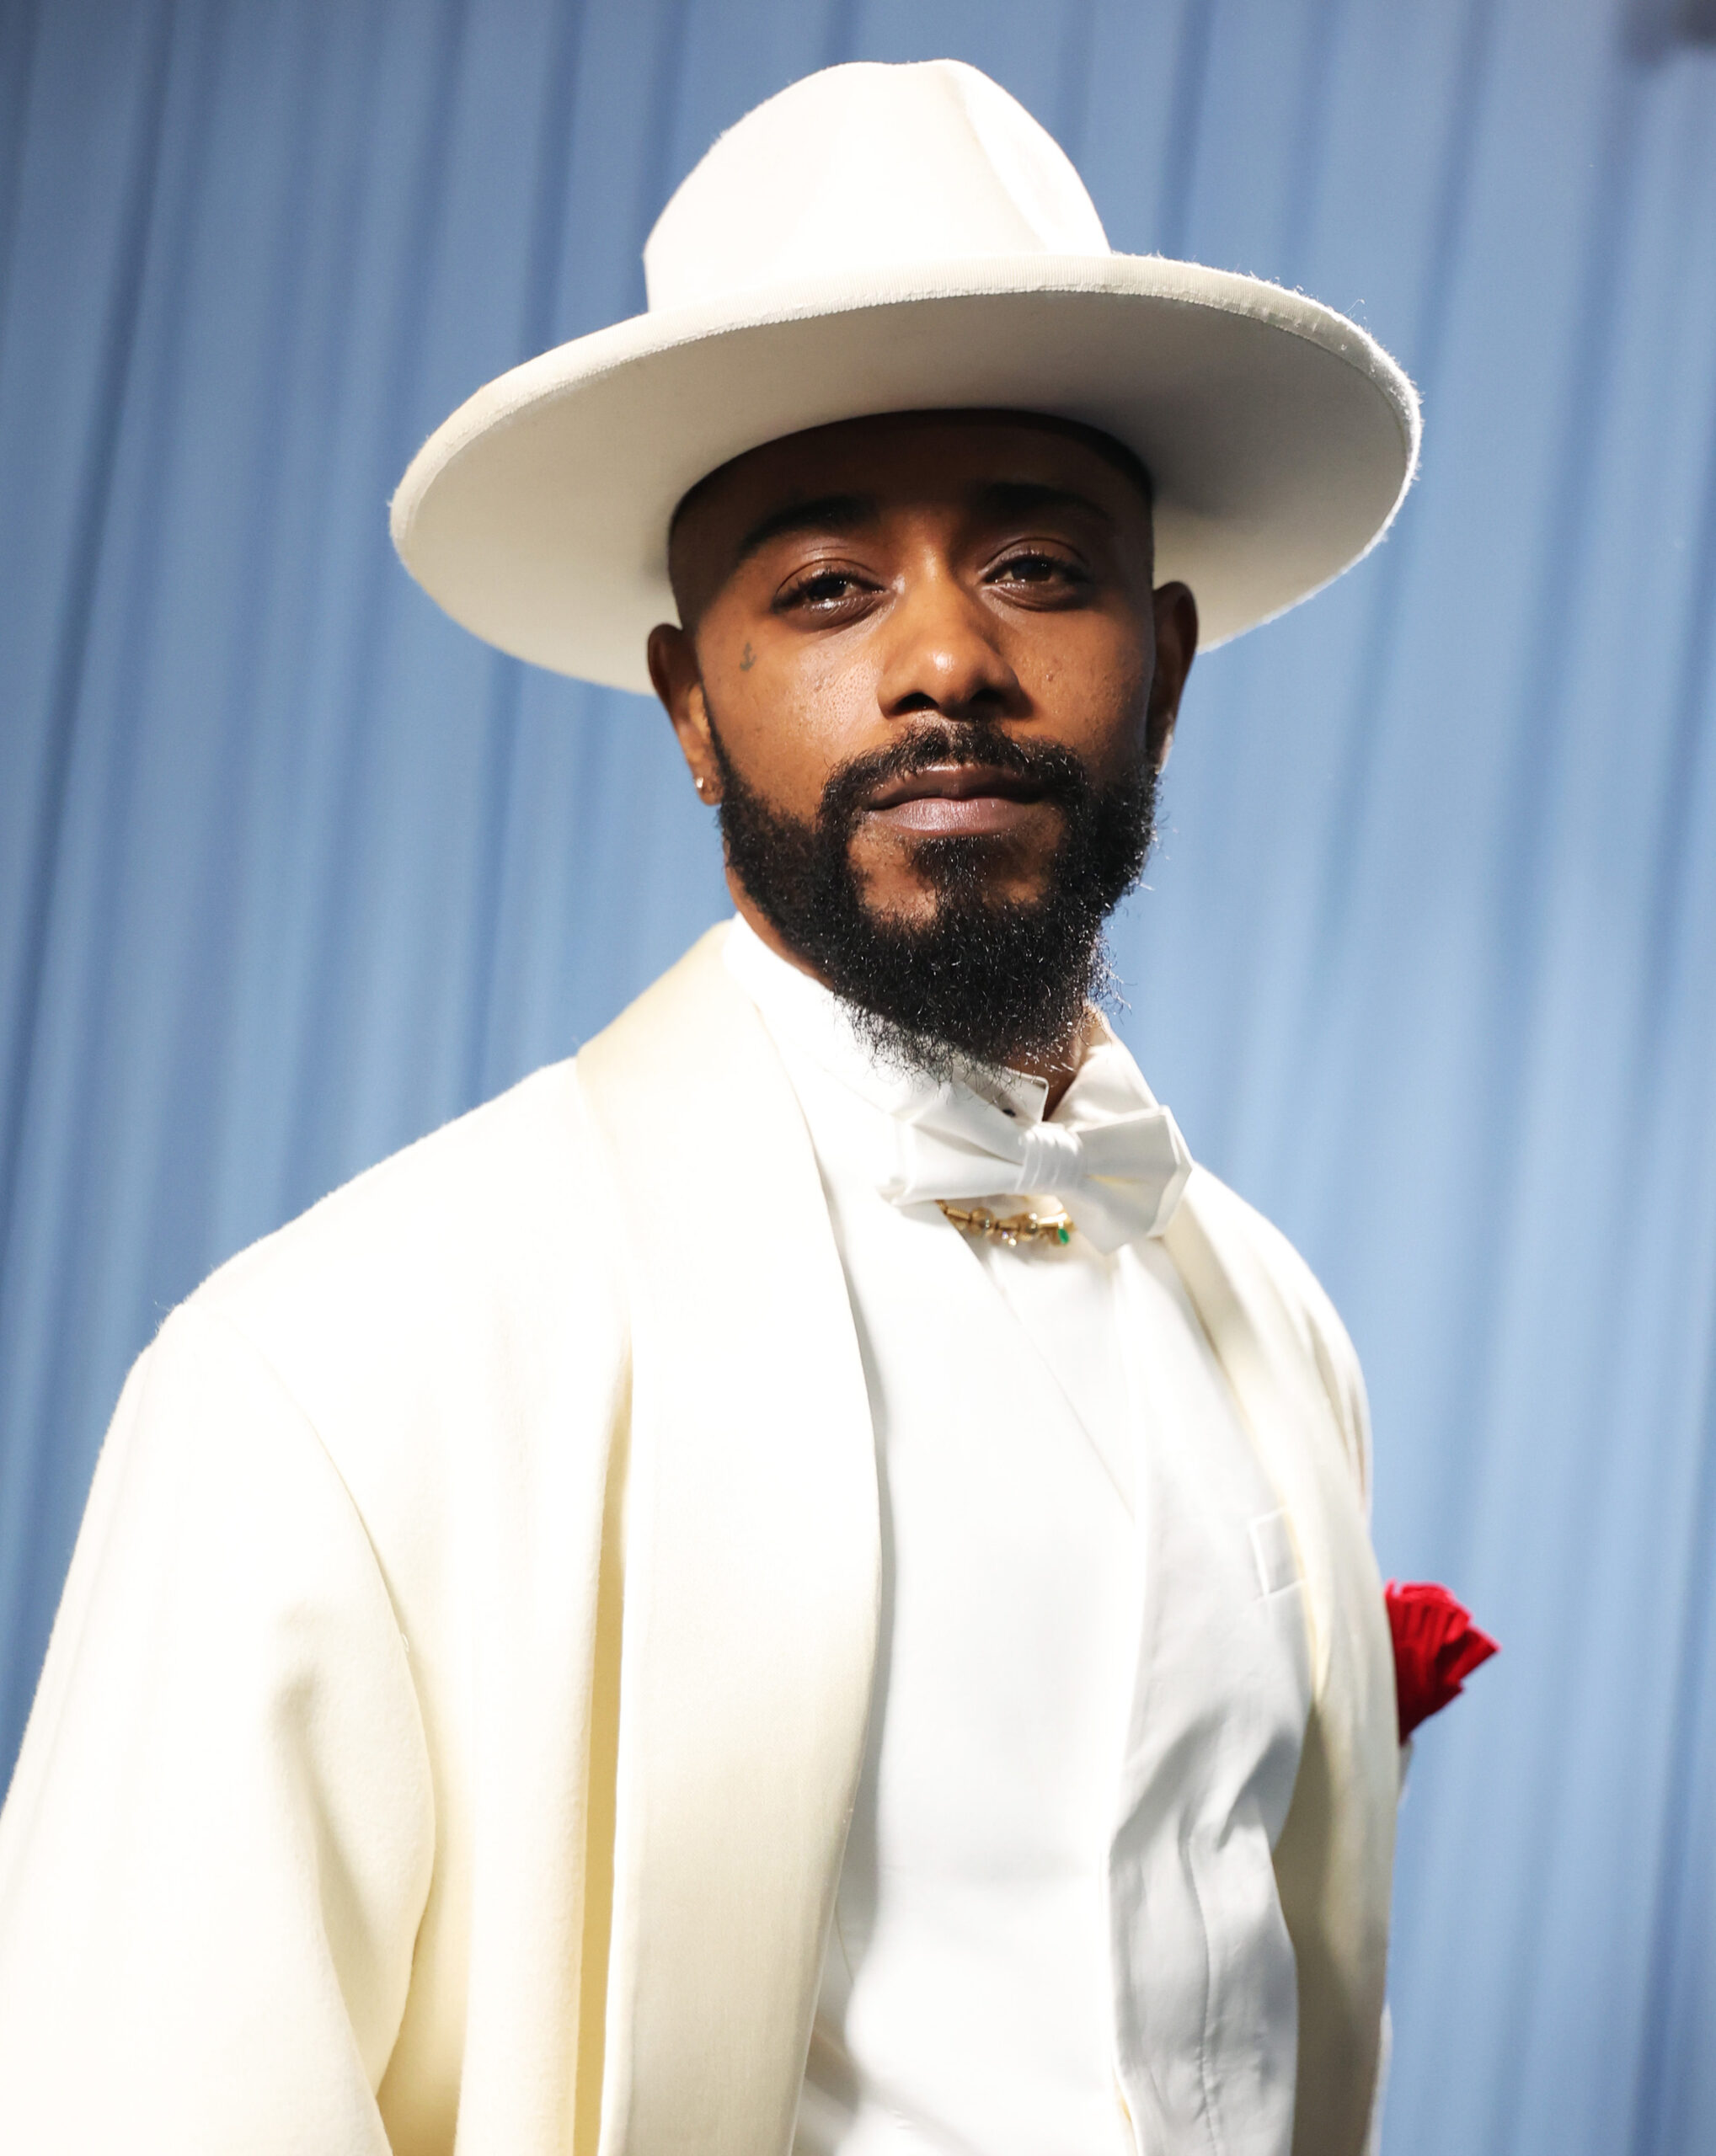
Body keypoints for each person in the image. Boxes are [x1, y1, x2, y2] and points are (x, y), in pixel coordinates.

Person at [0, 58, 1421, 2156]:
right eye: (828, 589)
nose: (945, 659)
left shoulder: (1275, 1328)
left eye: (1035, 563)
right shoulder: (335, 1363)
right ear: (689, 707)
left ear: (1166, 658)